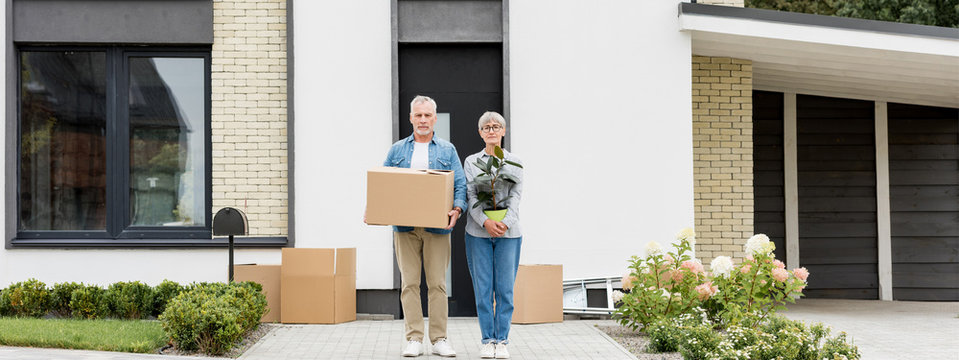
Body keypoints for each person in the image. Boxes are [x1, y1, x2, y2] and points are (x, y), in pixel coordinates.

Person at [381, 95, 466, 358]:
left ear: (434, 118)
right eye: (418, 115)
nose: (423, 120)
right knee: (409, 284)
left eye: (428, 115)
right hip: (404, 228)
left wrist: (457, 208)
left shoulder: (447, 150)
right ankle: (414, 339)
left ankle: (439, 338)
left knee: (438, 284)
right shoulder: (397, 150)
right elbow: (383, 183)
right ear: (410, 118)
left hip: (437, 227)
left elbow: (460, 185)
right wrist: (375, 207)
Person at [463, 111, 523, 359]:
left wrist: (505, 223)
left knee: (505, 289)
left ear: (504, 131)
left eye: (496, 126)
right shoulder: (471, 162)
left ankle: (503, 340)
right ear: (480, 133)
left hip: (509, 234)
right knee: (484, 289)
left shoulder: (514, 162)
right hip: (478, 233)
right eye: (486, 127)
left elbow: (516, 196)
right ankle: (488, 340)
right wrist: (486, 222)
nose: (491, 130)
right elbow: (471, 194)